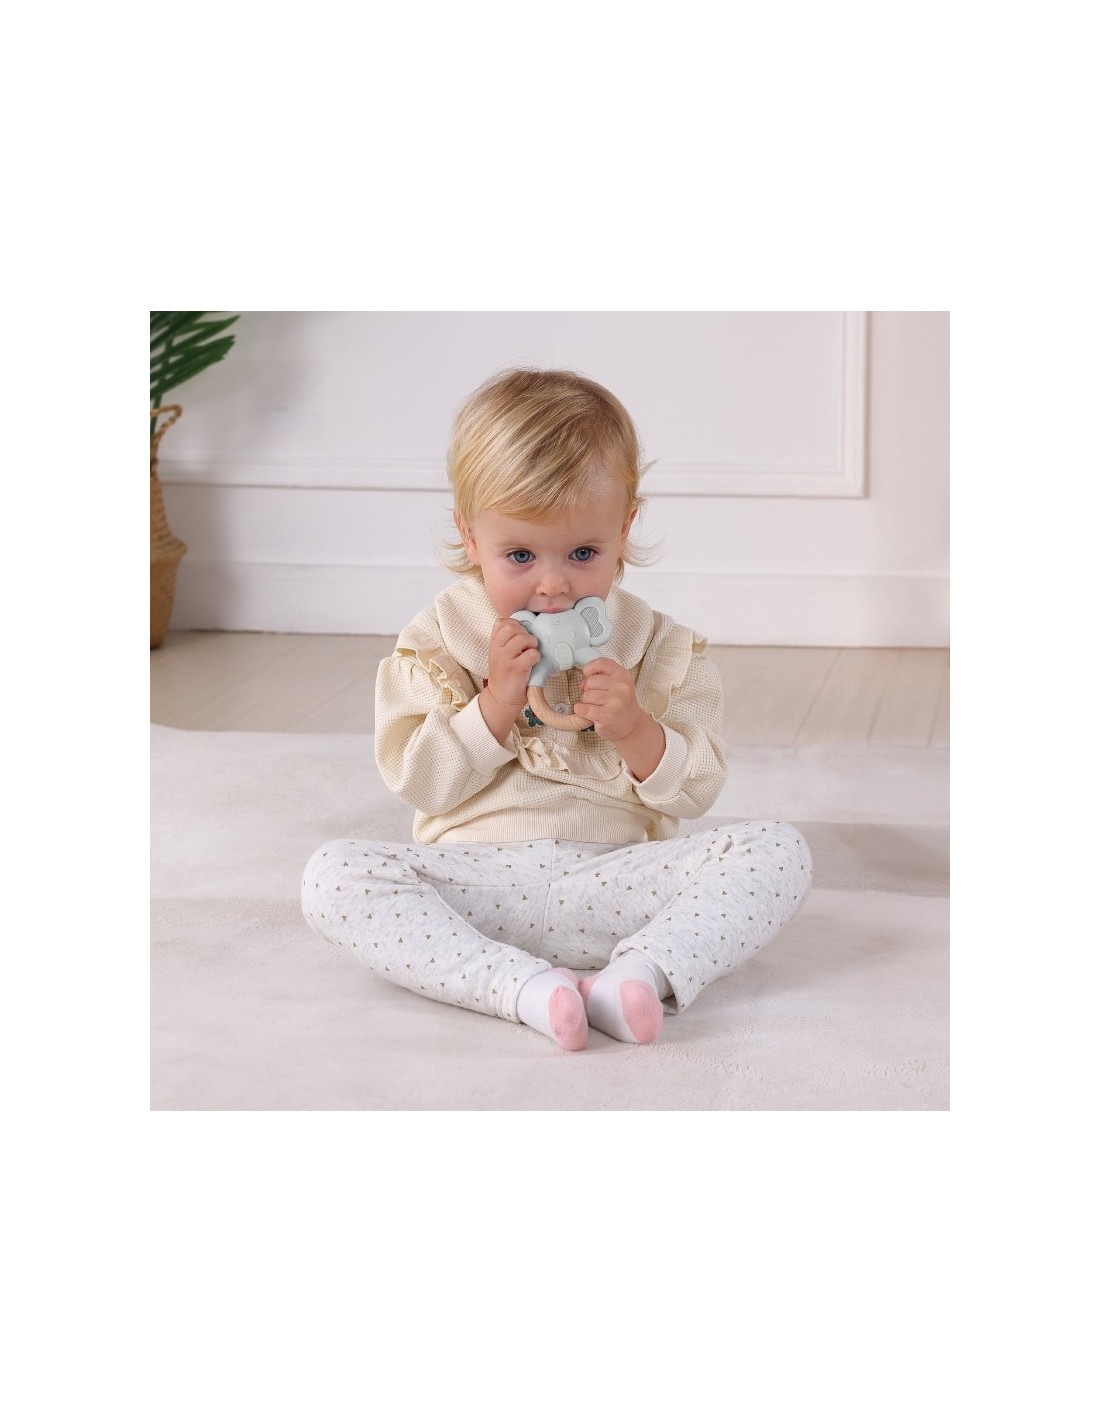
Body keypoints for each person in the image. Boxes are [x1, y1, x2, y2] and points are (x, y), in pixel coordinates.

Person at [302, 369, 812, 1051]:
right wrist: (493, 705)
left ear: (624, 529)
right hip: (477, 885)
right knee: (334, 875)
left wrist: (635, 729)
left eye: (582, 553)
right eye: (519, 555)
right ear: (469, 536)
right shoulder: (438, 638)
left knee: (778, 850)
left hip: (616, 880)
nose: (552, 585)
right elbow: (418, 782)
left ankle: (636, 975)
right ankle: (521, 988)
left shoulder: (658, 645)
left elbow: (697, 793)